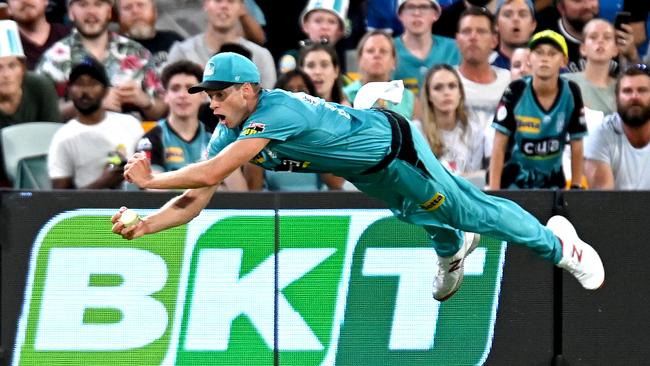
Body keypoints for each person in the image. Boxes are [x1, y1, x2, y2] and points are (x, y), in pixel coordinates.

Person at [112, 52, 605, 303]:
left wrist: (150, 179)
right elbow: (197, 197)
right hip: (360, 166)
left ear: (247, 89)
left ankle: (561, 244)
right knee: (413, 209)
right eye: (207, 94)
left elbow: (214, 171)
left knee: (465, 208)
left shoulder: (272, 110)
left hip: (395, 147)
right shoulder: (228, 128)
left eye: (218, 93)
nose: (211, 103)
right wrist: (146, 226)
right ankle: (452, 248)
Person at [36, 0, 166, 121]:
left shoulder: (138, 53)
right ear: (71, 12)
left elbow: (163, 110)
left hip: (132, 139)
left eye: (98, 4)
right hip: (78, 142)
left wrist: (146, 102)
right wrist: (90, 103)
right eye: (83, 4)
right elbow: (41, 115)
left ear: (109, 12)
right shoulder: (54, 58)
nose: (91, 11)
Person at [489, 30, 587, 189]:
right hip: (514, 185)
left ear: (564, 61)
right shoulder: (516, 90)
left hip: (554, 186)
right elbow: (498, 145)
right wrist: (494, 193)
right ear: (529, 59)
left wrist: (576, 187)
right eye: (539, 52)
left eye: (552, 53)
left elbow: (577, 143)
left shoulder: (571, 92)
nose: (544, 58)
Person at [136, 60, 248, 191]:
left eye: (190, 89)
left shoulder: (218, 138)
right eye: (175, 88)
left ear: (203, 96)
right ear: (165, 96)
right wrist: (208, 182)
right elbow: (153, 189)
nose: (182, 95)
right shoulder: (150, 140)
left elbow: (239, 192)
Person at [48, 57, 144, 189]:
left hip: (133, 205)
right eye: (79, 83)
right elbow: (59, 199)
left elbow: (147, 172)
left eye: (92, 83)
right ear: (70, 90)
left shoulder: (130, 124)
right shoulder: (63, 138)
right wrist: (104, 182)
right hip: (89, 209)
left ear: (105, 90)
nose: (85, 91)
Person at [166, 0, 276, 89]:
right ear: (205, 4)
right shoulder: (182, 52)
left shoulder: (261, 56)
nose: (224, 6)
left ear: (242, 8)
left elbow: (268, 105)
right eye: (218, 1)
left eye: (231, 1)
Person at [455, 7, 511, 160]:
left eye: (481, 31)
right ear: (457, 40)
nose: (473, 37)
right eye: (466, 31)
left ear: (494, 40)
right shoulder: (446, 81)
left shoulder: (509, 80)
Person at [584, 64, 650, 189]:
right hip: (616, 209)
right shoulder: (600, 136)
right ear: (616, 99)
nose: (634, 97)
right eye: (627, 91)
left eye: (642, 90)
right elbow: (605, 202)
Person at [421, 64, 486, 180]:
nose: (446, 93)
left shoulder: (474, 131)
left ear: (460, 92)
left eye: (452, 86)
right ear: (429, 96)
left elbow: (477, 179)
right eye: (438, 88)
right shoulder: (417, 131)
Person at [344, 30, 419, 120]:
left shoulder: (410, 100)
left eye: (383, 51)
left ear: (393, 61)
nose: (377, 55)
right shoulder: (344, 95)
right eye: (370, 51)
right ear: (360, 59)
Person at [0, 20, 60, 128]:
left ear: (23, 69)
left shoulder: (41, 87)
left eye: (12, 66)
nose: (6, 74)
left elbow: (53, 134)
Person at [394, 0, 461, 94]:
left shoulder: (455, 48)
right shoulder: (386, 49)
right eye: (410, 7)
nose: (417, 13)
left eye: (424, 7)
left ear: (436, 14)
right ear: (400, 15)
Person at [563, 19, 619, 116]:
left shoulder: (624, 88)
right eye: (593, 37)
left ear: (615, 49)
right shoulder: (565, 82)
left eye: (607, 37)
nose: (600, 41)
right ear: (583, 48)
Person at [278, 0, 349, 74]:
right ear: (306, 26)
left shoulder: (349, 62)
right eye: (318, 21)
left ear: (340, 30)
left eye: (331, 22)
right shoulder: (292, 57)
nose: (324, 27)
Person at [116, 0, 184, 73]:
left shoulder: (173, 41)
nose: (135, 11)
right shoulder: (114, 49)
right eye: (127, 7)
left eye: (140, 5)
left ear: (154, 11)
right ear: (119, 17)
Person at [6, 0, 70, 70]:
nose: (24, 1)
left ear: (46, 1)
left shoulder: (72, 36)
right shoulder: (5, 47)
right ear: (8, 8)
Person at [492, 0, 536, 70]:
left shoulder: (551, 71)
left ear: (533, 25)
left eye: (522, 14)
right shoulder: (485, 69)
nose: (515, 19)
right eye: (507, 15)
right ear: (496, 24)